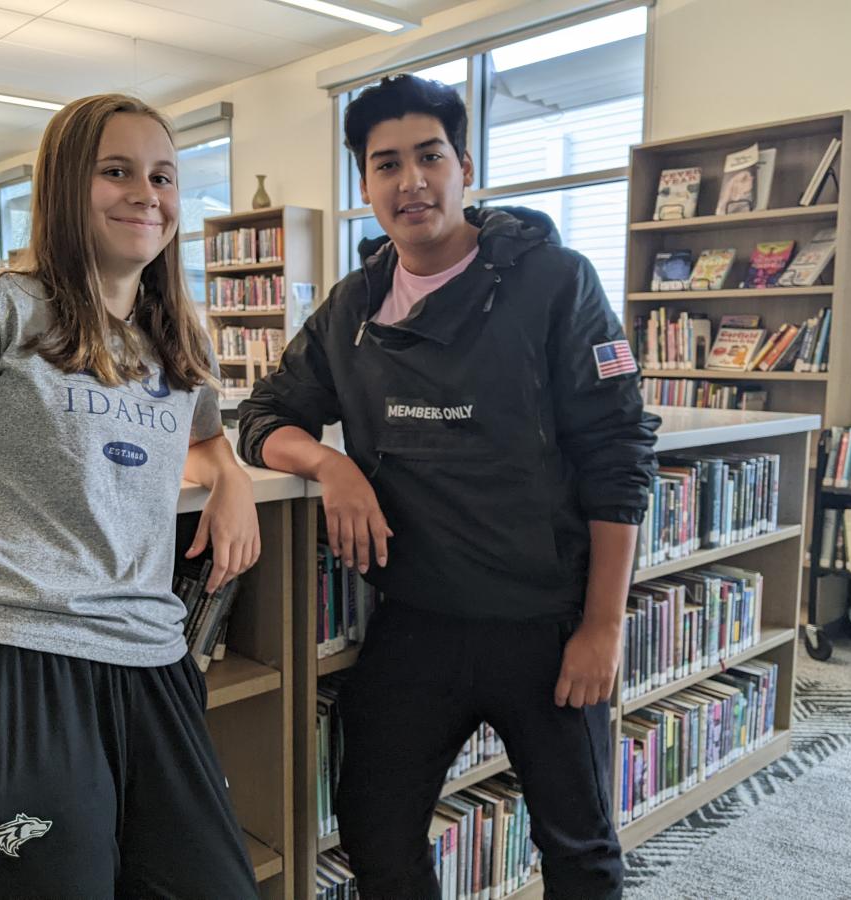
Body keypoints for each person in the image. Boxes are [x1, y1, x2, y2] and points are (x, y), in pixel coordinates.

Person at [238, 74, 660, 899]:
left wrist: (603, 627)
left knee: (579, 846)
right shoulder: (352, 305)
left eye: (429, 157)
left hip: (546, 623)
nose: (411, 182)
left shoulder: (555, 283)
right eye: (385, 164)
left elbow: (618, 456)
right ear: (365, 184)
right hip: (418, 622)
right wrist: (332, 464)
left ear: (465, 165)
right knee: (373, 829)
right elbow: (266, 415)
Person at [0, 94, 261, 899]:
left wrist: (233, 478)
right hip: (18, 654)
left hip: (153, 658)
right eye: (115, 171)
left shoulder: (177, 334)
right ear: (63, 186)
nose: (146, 193)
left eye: (163, 175)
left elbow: (204, 437)